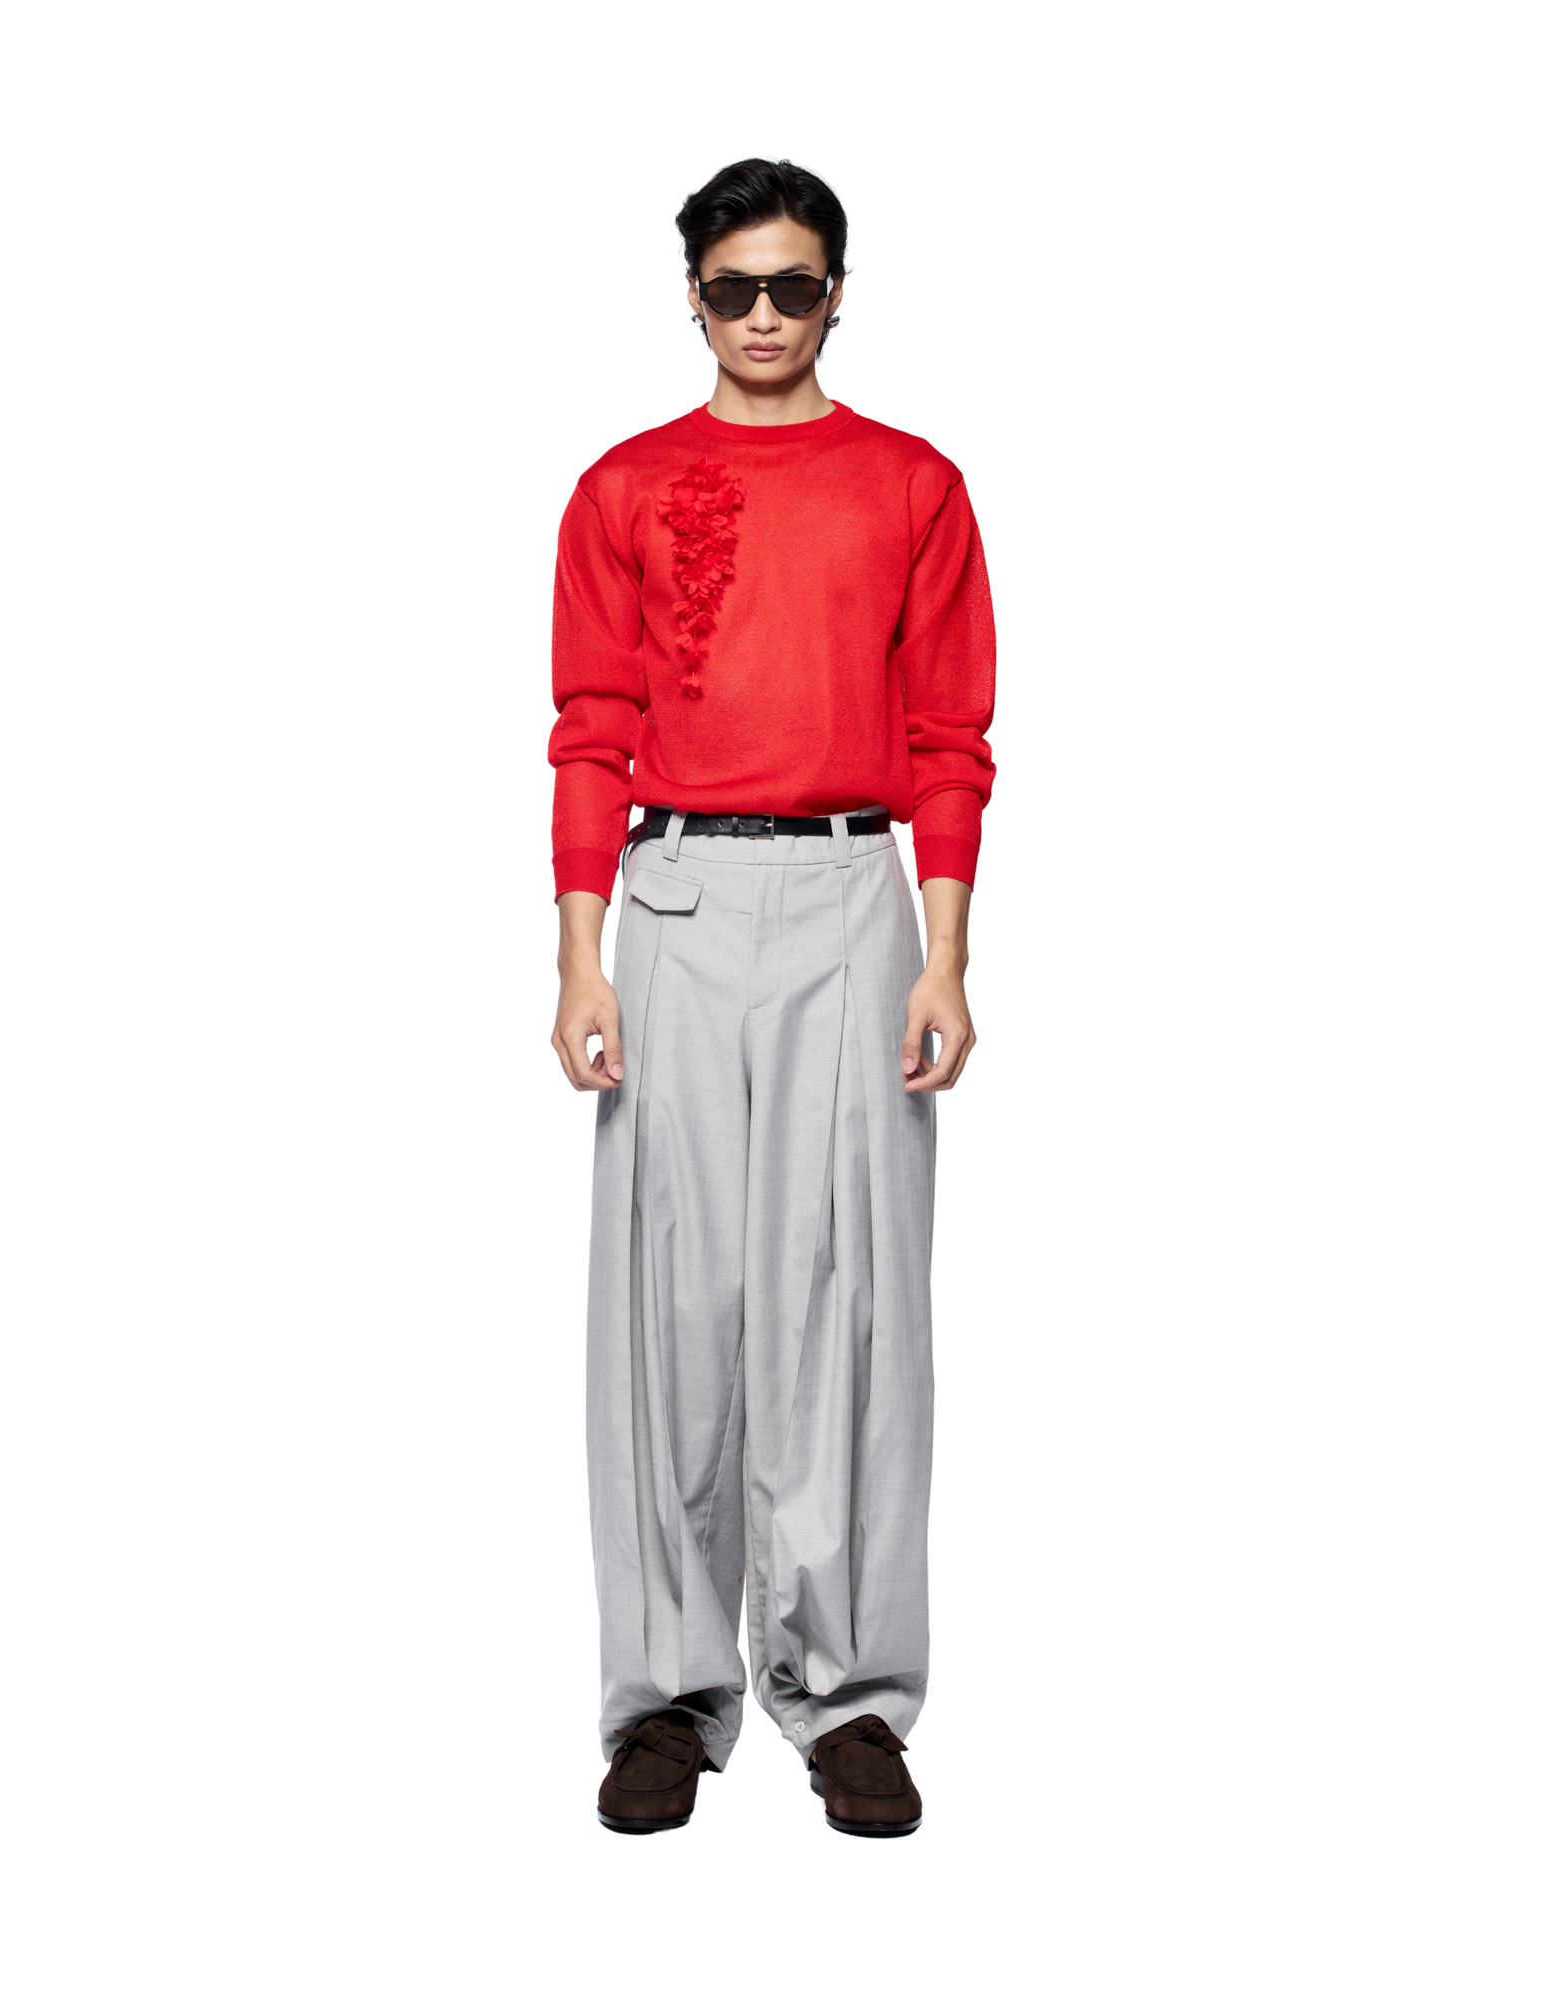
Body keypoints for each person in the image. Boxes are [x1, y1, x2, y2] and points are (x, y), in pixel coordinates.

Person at [548, 158, 996, 1838]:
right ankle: (667, 1694)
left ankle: (851, 1694)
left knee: (849, 1299)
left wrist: (944, 951)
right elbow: (592, 725)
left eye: (791, 286)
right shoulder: (622, 486)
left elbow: (949, 733)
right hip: (671, 892)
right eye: (732, 286)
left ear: (835, 295)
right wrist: (580, 951)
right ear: (691, 295)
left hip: (850, 890)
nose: (760, 315)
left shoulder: (913, 486)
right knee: (671, 1301)